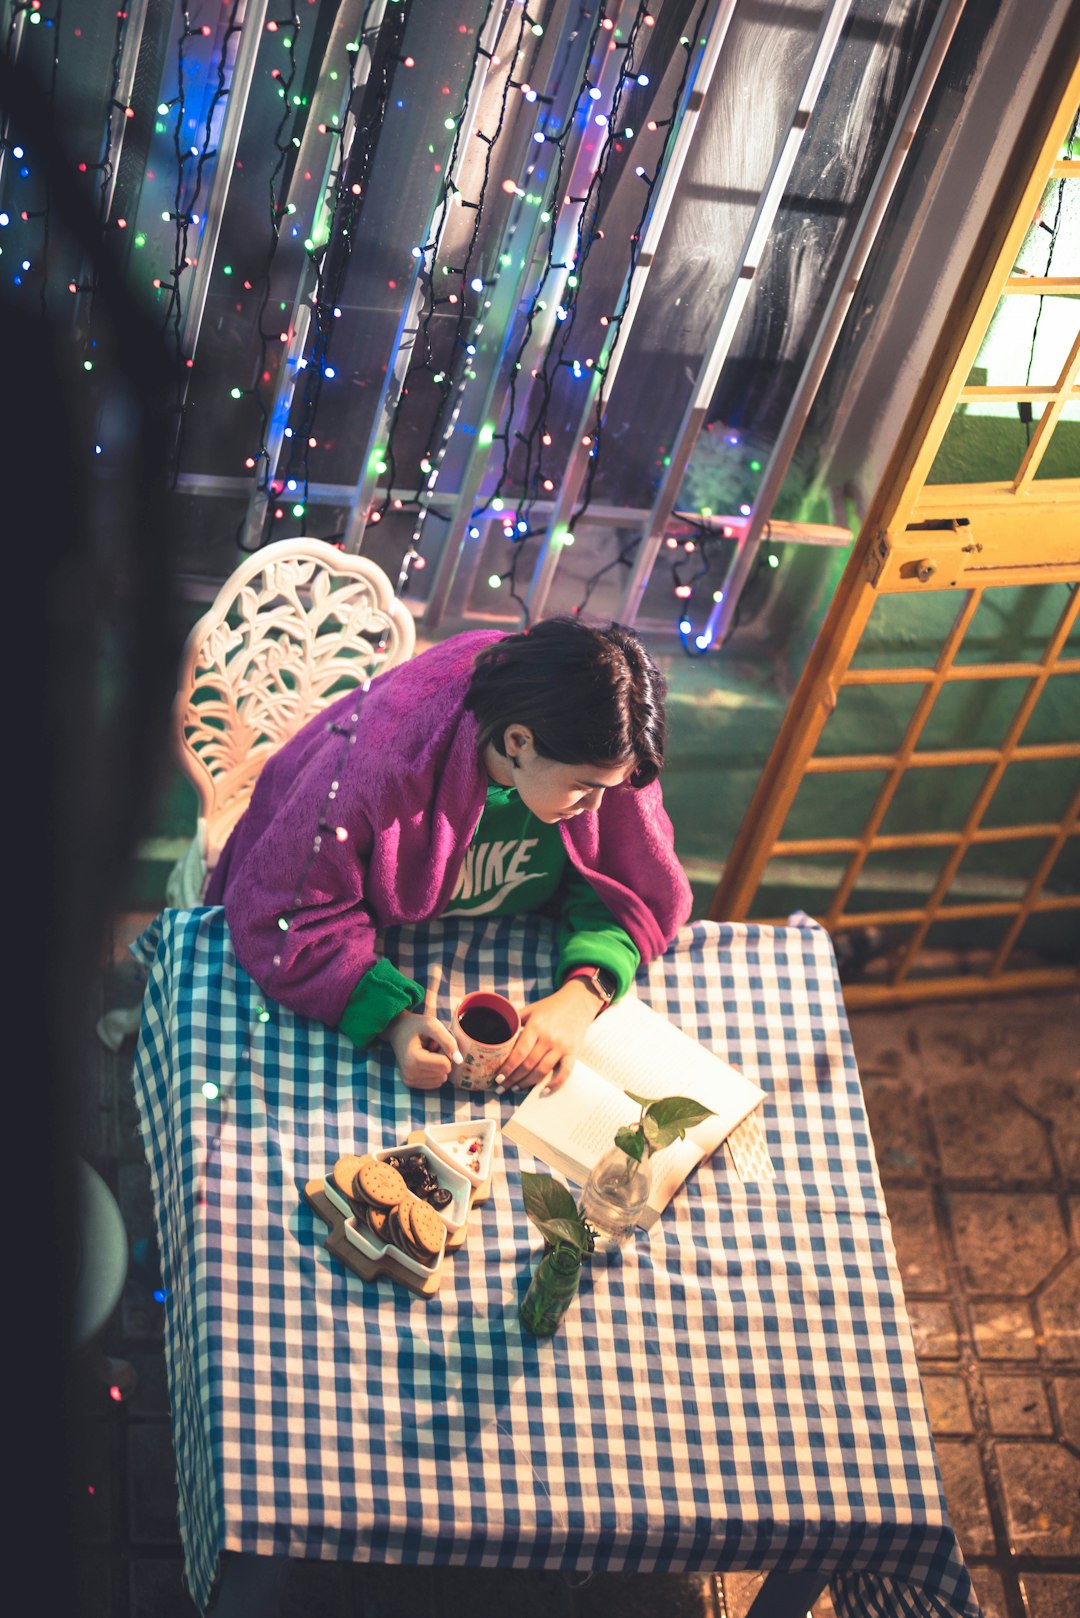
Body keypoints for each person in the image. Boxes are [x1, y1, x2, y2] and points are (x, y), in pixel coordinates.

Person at [207, 617, 692, 1091]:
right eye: (584, 790)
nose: (598, 810)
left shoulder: (602, 740)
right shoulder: (377, 769)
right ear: (518, 741)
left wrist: (584, 994)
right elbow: (287, 920)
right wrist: (392, 1018)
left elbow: (628, 890)